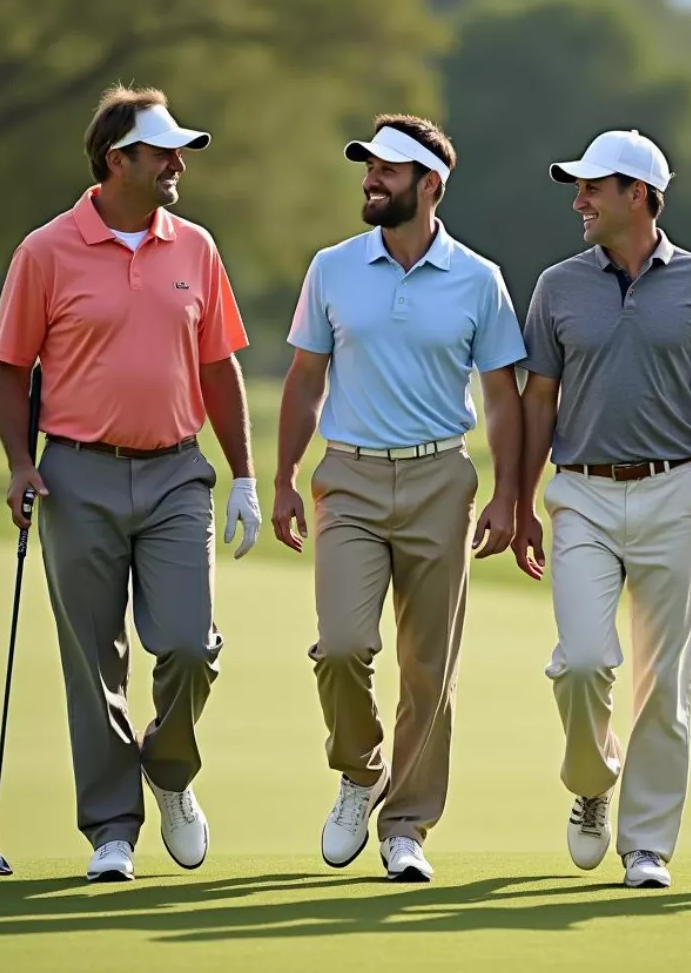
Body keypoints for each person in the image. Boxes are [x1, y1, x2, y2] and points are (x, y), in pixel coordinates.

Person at [0, 85, 261, 883]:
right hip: (77, 474)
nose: (179, 164)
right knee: (94, 665)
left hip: (179, 471)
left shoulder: (196, 248)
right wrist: (18, 461)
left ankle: (169, 769)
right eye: (164, 152)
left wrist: (244, 474)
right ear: (118, 161)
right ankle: (112, 827)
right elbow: (11, 370)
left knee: (186, 645)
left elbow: (220, 364)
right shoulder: (46, 251)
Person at [271, 114, 525, 883]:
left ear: (430, 186)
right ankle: (360, 768)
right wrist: (281, 476)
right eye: (369, 168)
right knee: (344, 646)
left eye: (387, 171)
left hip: (439, 480)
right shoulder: (333, 267)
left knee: (429, 668)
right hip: (346, 477)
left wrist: (509, 495)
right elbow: (306, 379)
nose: (370, 180)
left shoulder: (479, 279)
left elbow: (504, 399)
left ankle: (407, 825)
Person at [513, 129, 691, 889]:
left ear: (641, 197)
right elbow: (538, 399)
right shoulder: (557, 285)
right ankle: (592, 780)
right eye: (578, 188)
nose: (579, 200)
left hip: (671, 491)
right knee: (584, 661)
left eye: (593, 187)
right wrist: (518, 502)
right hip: (580, 492)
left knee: (664, 680)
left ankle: (647, 844)